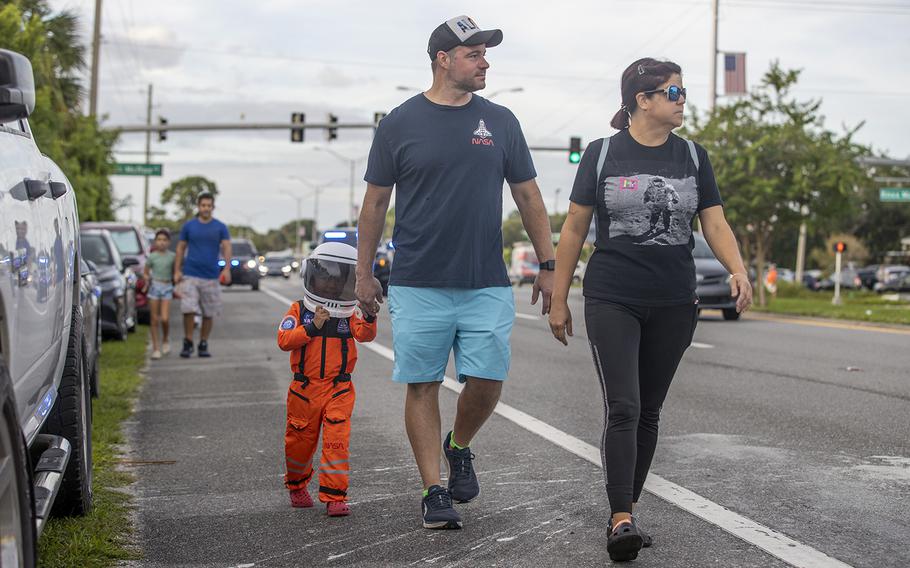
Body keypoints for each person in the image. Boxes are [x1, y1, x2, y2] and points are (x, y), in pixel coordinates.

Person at [548, 58, 753, 562]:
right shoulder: (601, 155)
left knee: (650, 411)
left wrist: (739, 269)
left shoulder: (692, 155)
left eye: (682, 91)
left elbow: (714, 222)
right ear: (643, 100)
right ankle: (620, 518)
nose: (683, 99)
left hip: (674, 300)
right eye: (674, 91)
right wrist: (558, 295)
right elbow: (575, 228)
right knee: (625, 406)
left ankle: (631, 509)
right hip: (612, 294)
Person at [355, 15, 555, 530]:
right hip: (419, 280)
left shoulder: (502, 121)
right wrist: (364, 274)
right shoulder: (399, 123)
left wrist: (550, 265)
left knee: (488, 379)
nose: (485, 61)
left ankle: (459, 445)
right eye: (475, 53)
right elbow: (375, 203)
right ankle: (432, 489)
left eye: (486, 53)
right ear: (443, 59)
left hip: (485, 278)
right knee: (421, 383)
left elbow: (528, 195)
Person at [277, 242, 377, 517]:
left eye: (338, 280)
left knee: (336, 442)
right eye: (325, 278)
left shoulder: (348, 314)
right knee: (298, 443)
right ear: (312, 277)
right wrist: (312, 326)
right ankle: (297, 485)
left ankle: (335, 497)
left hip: (338, 389)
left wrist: (369, 314)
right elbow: (284, 340)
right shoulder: (299, 310)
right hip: (304, 390)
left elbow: (365, 334)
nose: (331, 286)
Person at [173, 191, 232, 358]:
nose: (206, 208)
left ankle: (203, 342)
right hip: (190, 274)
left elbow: (227, 247)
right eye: (203, 205)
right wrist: (177, 270)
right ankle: (188, 341)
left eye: (208, 206)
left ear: (213, 207)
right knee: (188, 309)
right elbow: (180, 248)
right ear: (198, 207)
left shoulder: (220, 227)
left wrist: (226, 269)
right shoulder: (189, 226)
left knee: (208, 312)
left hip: (211, 276)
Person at [144, 229, 177, 359]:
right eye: (159, 240)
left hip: (167, 287)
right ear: (155, 242)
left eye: (164, 240)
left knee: (165, 318)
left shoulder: (172, 256)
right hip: (154, 288)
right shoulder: (152, 256)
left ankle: (165, 339)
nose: (162, 243)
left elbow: (176, 272)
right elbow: (146, 272)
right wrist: (146, 278)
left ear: (168, 242)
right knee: (154, 319)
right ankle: (156, 348)